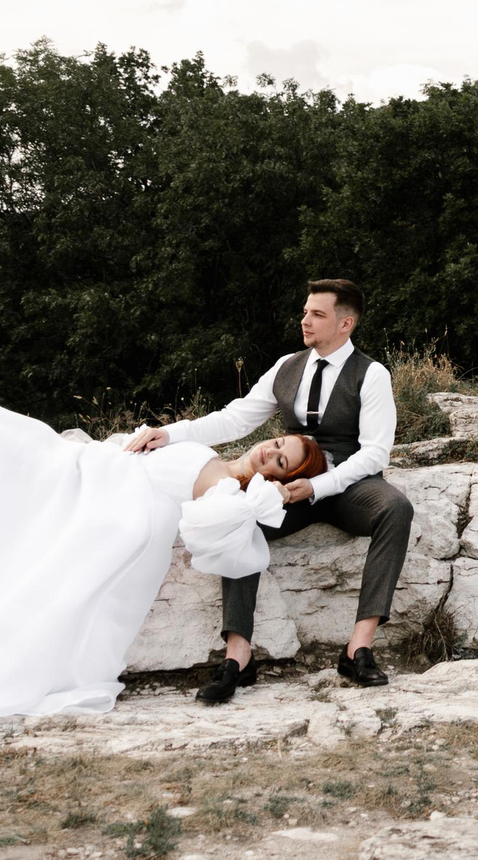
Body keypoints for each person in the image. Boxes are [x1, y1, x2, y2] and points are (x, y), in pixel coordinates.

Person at [0, 399, 321, 719]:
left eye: (280, 461)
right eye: (275, 442)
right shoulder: (208, 452)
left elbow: (224, 544)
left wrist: (258, 502)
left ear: (279, 477)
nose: (268, 452)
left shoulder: (228, 493)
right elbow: (214, 426)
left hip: (96, 494)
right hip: (87, 464)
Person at [127, 277, 412, 699]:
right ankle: (238, 657)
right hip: (283, 487)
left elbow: (374, 454)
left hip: (349, 482)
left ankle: (358, 648)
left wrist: (318, 486)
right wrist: (170, 433)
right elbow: (236, 418)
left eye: (317, 314)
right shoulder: (287, 366)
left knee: (396, 509)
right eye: (305, 312)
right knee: (235, 518)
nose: (305, 321)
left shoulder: (371, 375)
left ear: (345, 323)